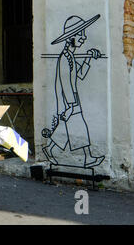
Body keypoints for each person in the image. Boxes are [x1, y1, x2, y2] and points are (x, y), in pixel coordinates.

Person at [42, 14, 105, 168]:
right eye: (80, 34)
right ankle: (87, 158)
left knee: (67, 130)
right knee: (79, 127)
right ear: (70, 37)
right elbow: (65, 84)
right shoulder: (64, 58)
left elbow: (80, 75)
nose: (83, 38)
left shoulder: (70, 56)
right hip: (69, 99)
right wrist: (70, 105)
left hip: (72, 98)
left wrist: (89, 57)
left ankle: (49, 149)